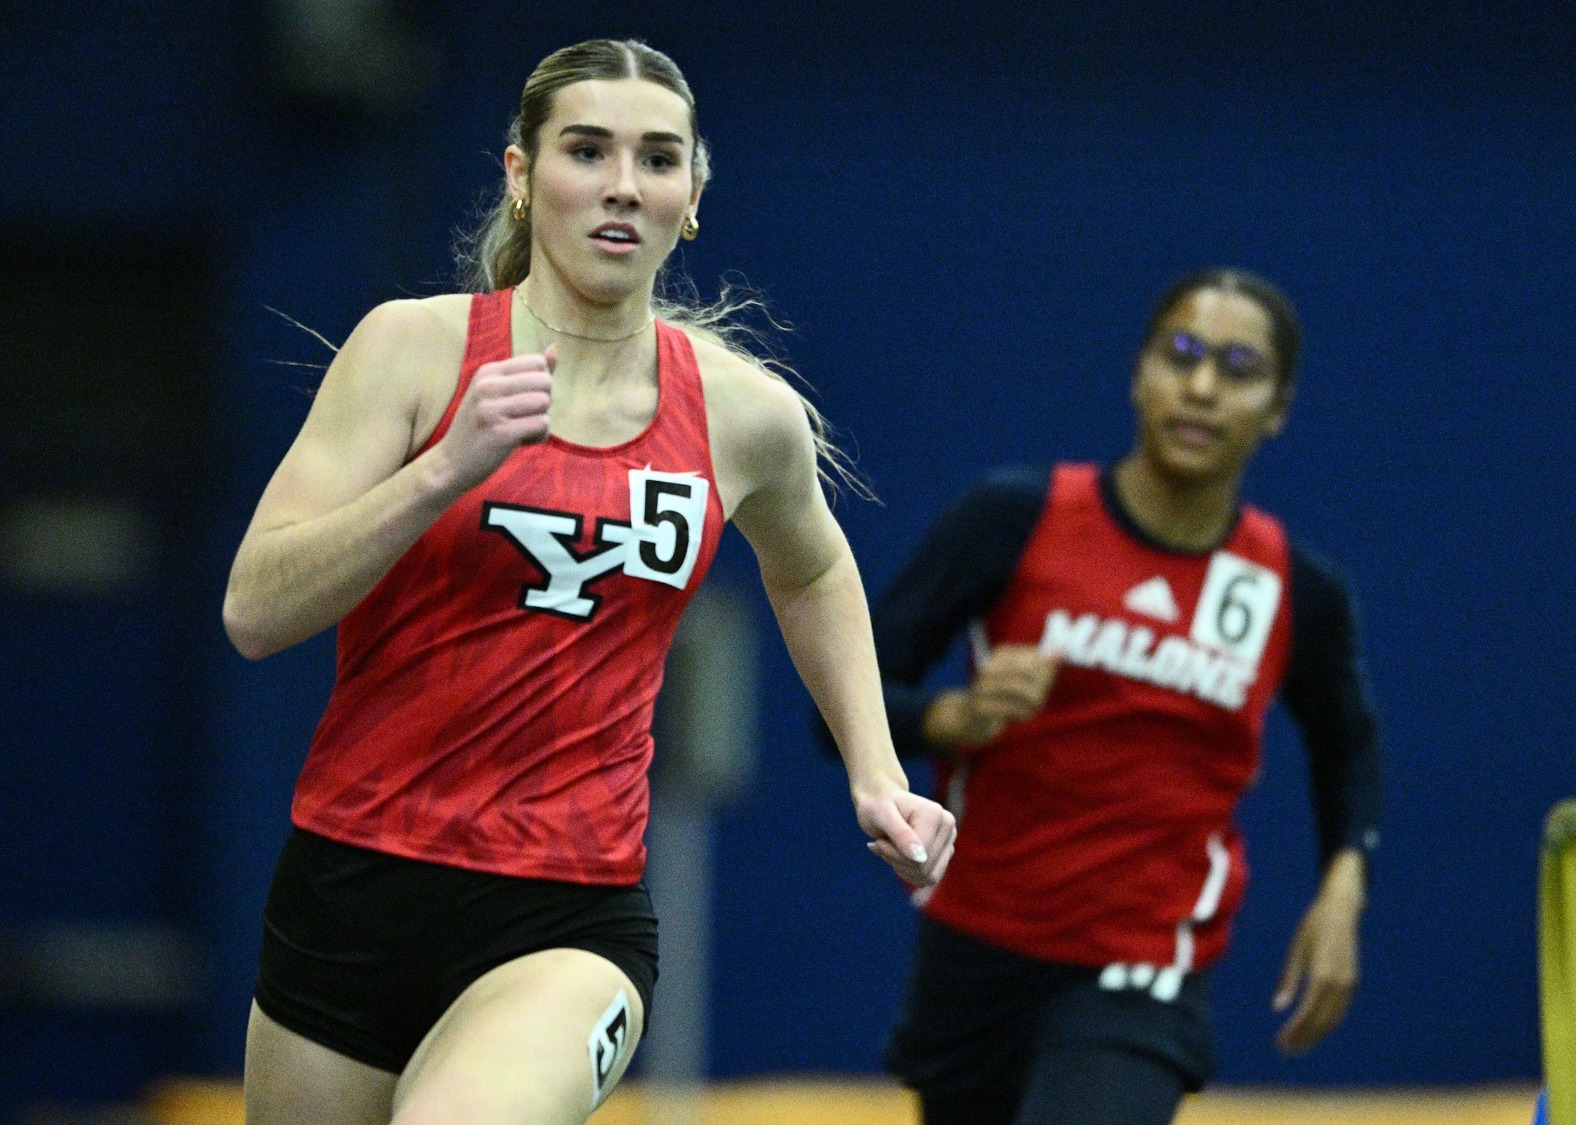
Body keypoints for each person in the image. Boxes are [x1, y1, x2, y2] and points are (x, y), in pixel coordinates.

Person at [222, 39, 955, 1125]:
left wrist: (874, 768)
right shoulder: (411, 354)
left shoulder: (743, 413)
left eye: (657, 159)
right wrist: (439, 476)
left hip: (567, 912)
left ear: (691, 196)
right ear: (521, 175)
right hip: (352, 884)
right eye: (586, 150)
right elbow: (254, 608)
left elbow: (811, 571)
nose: (621, 183)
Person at [861, 269, 1383, 1125]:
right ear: (1139, 373)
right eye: (1181, 355)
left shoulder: (1294, 587)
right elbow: (846, 701)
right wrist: (953, 717)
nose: (1203, 387)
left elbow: (1348, 742)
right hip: (976, 943)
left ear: (1279, 407)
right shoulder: (1014, 517)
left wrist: (1343, 884)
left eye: (1239, 368)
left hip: (1146, 961)